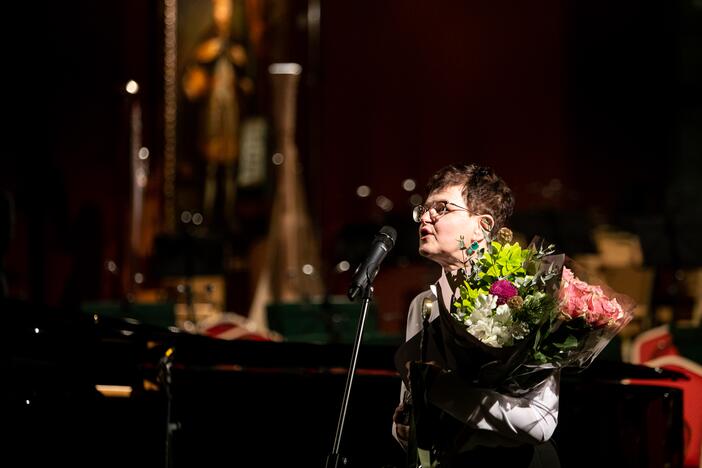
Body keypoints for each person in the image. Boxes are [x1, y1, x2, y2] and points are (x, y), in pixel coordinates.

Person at [392, 163, 560, 467]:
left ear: (482, 225)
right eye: (424, 209)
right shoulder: (423, 305)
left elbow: (541, 423)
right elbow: (413, 405)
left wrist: (448, 395)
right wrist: (405, 427)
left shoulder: (526, 298)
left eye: (442, 208)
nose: (426, 217)